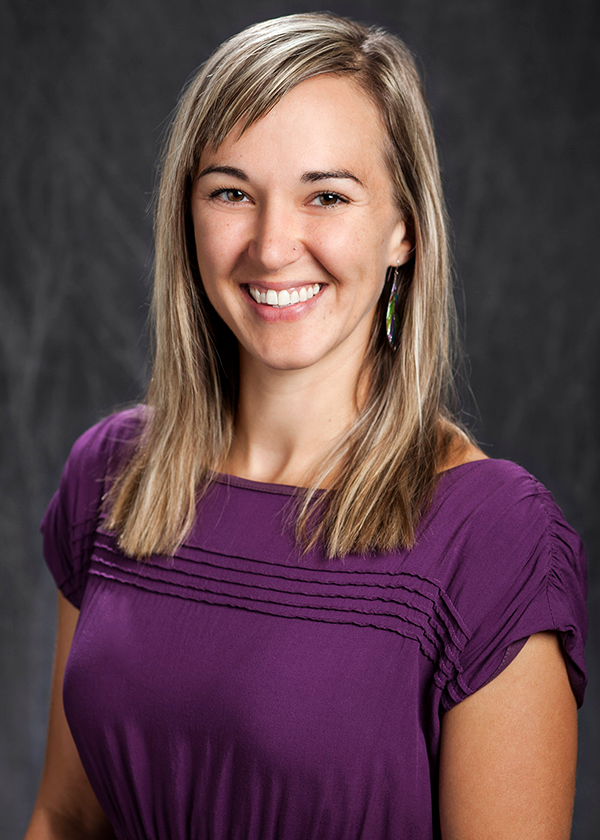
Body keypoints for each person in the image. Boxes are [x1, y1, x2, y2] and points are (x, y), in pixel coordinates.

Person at [26, 12, 587, 840]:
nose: (273, 244)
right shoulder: (114, 476)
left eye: (326, 195)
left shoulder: (494, 537)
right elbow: (68, 818)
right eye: (230, 192)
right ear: (186, 218)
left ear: (404, 230)